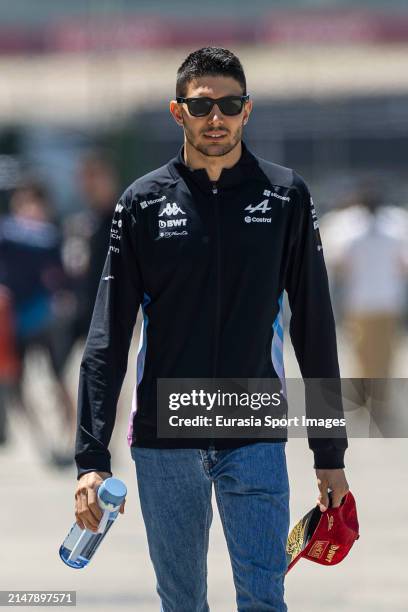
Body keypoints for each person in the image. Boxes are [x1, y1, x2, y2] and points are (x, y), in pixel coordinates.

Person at [74, 47, 349, 611]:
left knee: (264, 600)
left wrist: (330, 452)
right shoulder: (142, 203)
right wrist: (91, 459)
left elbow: (315, 330)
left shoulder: (286, 196)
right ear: (178, 112)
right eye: (203, 107)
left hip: (254, 433)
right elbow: (107, 339)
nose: (216, 118)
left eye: (230, 105)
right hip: (164, 440)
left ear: (248, 110)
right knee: (181, 604)